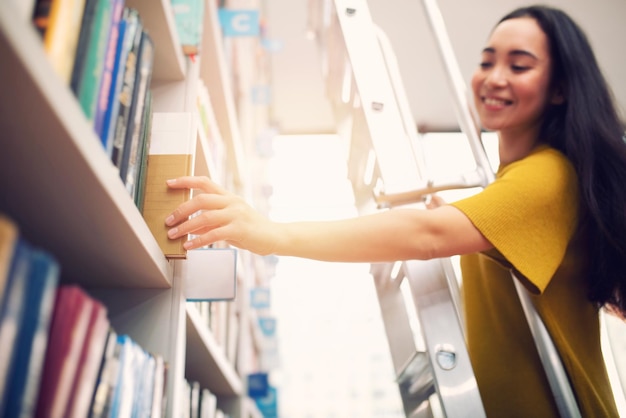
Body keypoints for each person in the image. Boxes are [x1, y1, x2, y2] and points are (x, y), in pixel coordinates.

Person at [164, 5, 626, 417]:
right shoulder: (518, 185)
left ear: (560, 90)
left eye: (519, 65)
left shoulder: (548, 176)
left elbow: (428, 236)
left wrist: (269, 233)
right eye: (487, 61)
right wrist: (461, 218)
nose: (494, 76)